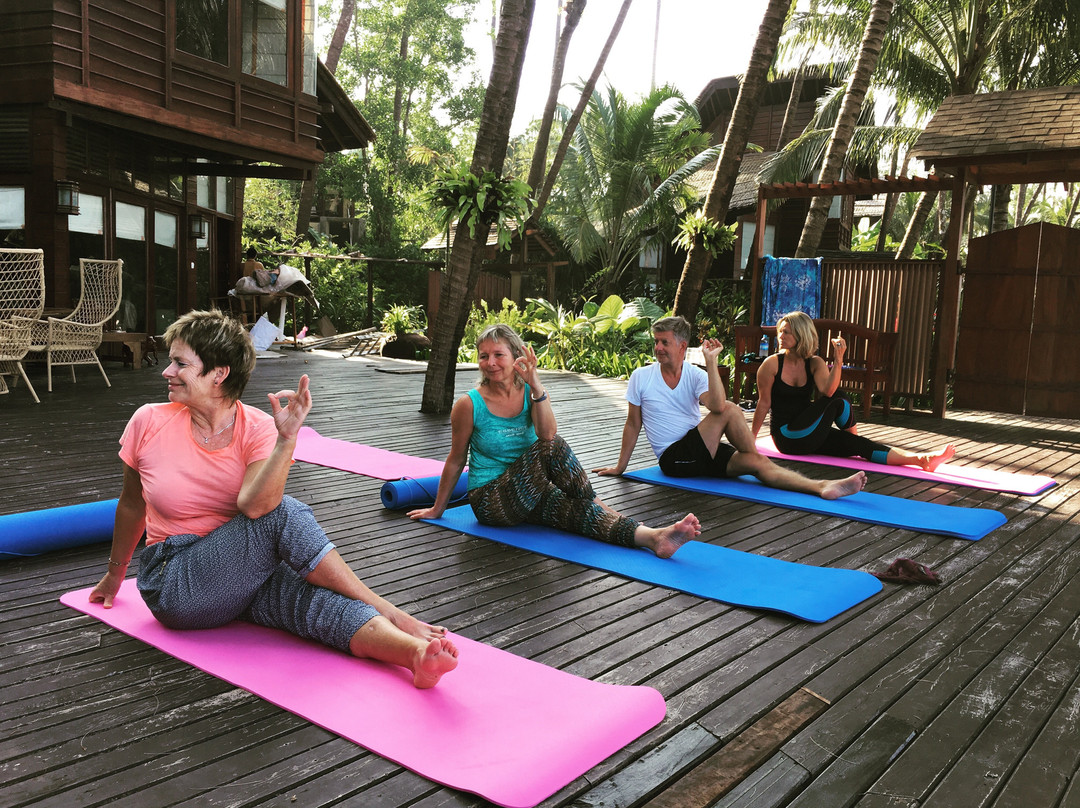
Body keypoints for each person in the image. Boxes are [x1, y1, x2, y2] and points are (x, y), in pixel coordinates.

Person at [89, 309, 457, 689]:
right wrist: (116, 575)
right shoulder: (148, 421)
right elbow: (133, 504)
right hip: (174, 580)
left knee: (318, 606)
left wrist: (285, 440)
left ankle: (413, 657)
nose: (167, 371)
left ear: (219, 373)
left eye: (180, 363)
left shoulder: (260, 428)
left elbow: (254, 502)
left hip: (240, 572)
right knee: (286, 512)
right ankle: (389, 610)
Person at [407, 323, 701, 559]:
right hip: (491, 500)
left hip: (531, 490)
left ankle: (653, 538)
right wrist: (437, 509)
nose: (490, 363)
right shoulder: (469, 405)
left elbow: (545, 430)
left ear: (517, 357)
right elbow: (457, 458)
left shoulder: (529, 393)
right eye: (484, 356)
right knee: (554, 449)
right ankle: (601, 504)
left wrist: (535, 384)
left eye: (498, 355)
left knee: (580, 515)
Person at [595, 315, 866, 500]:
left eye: (664, 342)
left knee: (756, 461)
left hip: (702, 449)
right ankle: (752, 452)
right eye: (656, 342)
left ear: (681, 346)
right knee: (730, 410)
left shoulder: (695, 374)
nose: (658, 347)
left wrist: (711, 362)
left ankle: (821, 487)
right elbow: (633, 424)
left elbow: (713, 403)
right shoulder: (641, 377)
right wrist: (620, 467)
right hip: (674, 458)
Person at [752, 310, 954, 470]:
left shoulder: (814, 362)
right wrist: (750, 441)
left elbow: (826, 389)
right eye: (780, 331)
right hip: (787, 436)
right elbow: (764, 403)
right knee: (838, 398)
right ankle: (853, 436)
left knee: (860, 446)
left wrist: (838, 360)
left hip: (811, 430)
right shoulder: (772, 364)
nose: (781, 335)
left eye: (786, 332)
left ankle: (922, 460)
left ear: (800, 335)